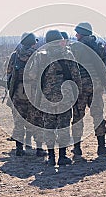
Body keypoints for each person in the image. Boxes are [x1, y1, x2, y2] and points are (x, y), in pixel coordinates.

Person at [29, 30, 82, 165]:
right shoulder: (67, 53)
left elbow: (32, 75)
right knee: (63, 126)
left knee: (49, 126)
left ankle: (51, 157)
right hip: (65, 97)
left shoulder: (40, 56)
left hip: (47, 97)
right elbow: (76, 76)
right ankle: (62, 156)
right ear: (59, 40)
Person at [71, 22, 106, 156]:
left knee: (78, 116)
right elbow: (104, 66)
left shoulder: (74, 47)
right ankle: (101, 146)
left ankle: (77, 148)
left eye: (77, 32)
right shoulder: (98, 46)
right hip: (96, 84)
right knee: (98, 115)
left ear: (82, 33)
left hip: (80, 85)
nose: (76, 35)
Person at [6, 33, 47, 157]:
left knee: (18, 121)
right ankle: (39, 149)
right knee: (37, 121)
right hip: (34, 92)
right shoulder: (38, 55)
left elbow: (9, 72)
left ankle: (19, 148)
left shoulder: (14, 55)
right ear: (33, 43)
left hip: (18, 92)